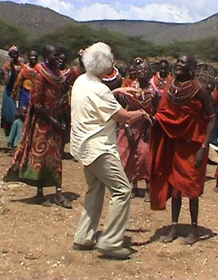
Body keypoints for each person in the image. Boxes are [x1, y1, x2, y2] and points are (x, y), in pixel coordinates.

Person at [70, 42, 152, 259]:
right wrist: (142, 113)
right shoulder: (100, 90)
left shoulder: (81, 81)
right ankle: (111, 241)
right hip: (99, 148)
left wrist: (116, 90)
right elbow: (123, 117)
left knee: (95, 189)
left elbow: (98, 96)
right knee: (122, 190)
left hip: (82, 146)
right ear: (105, 67)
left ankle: (83, 236)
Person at [149, 54, 216, 245]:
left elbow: (211, 118)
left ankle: (194, 230)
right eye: (177, 61)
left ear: (192, 68)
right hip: (174, 143)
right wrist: (154, 120)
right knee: (176, 189)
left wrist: (204, 147)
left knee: (192, 189)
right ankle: (174, 227)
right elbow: (164, 112)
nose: (178, 64)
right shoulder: (170, 86)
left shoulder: (200, 90)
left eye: (182, 63)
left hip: (194, 145)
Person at [4, 44, 71, 209]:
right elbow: (36, 104)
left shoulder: (59, 76)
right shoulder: (40, 76)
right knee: (40, 157)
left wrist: (62, 117)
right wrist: (53, 121)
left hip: (55, 122)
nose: (57, 58)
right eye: (55, 55)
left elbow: (62, 99)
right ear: (47, 57)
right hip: (41, 123)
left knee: (56, 158)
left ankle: (58, 191)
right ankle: (40, 192)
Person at [117, 61, 158, 201]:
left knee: (145, 155)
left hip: (146, 126)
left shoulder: (153, 92)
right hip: (130, 124)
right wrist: (127, 127)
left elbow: (156, 112)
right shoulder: (129, 89)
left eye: (146, 69)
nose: (142, 71)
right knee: (130, 156)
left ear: (150, 73)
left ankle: (148, 188)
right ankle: (133, 187)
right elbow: (122, 109)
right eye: (140, 69)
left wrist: (149, 127)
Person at [1, 45, 24, 137]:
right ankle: (10, 135)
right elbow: (6, 82)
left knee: (18, 113)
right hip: (9, 92)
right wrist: (11, 71)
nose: (14, 55)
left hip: (19, 91)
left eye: (16, 53)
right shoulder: (6, 66)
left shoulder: (22, 66)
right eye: (12, 54)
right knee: (9, 114)